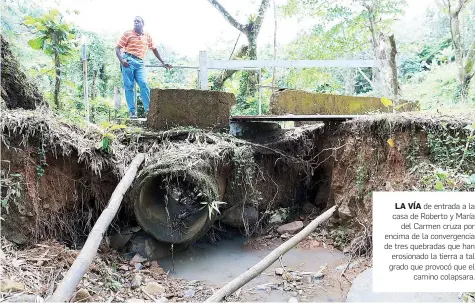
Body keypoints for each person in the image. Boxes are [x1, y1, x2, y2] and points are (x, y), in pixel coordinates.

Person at [116, 16, 172, 118]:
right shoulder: (128, 33)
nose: (136, 23)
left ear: (143, 24)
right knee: (129, 86)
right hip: (128, 60)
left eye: (138, 21)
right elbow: (118, 48)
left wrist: (163, 62)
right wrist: (122, 60)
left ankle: (148, 110)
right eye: (134, 21)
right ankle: (132, 112)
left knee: (144, 84)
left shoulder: (147, 36)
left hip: (140, 62)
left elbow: (154, 49)